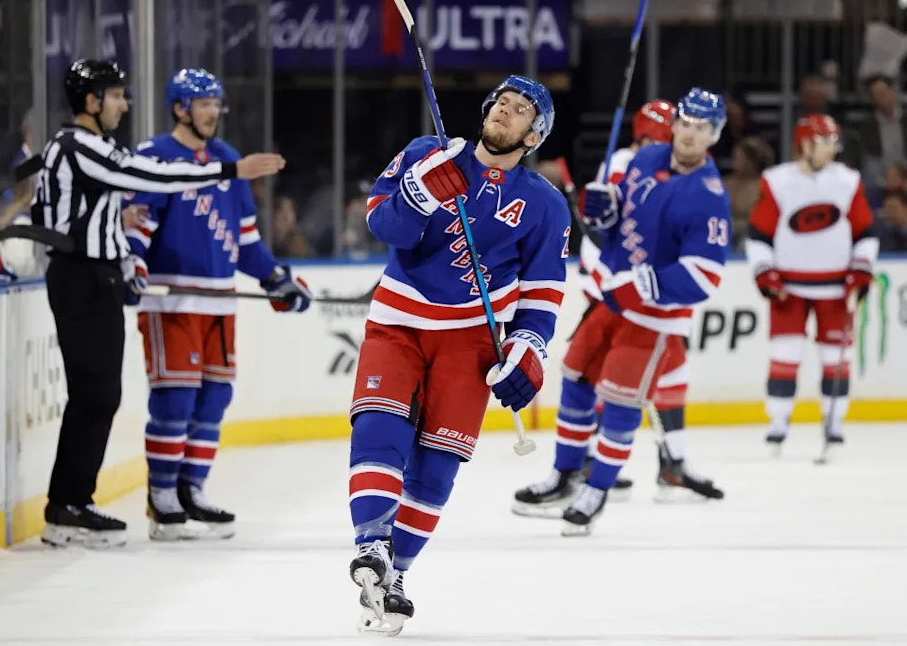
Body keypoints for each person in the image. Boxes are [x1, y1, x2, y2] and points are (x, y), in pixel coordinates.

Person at [346, 76, 570, 635]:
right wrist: (421, 192)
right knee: (381, 425)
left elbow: (542, 293)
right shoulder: (428, 154)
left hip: (473, 339)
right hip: (399, 318)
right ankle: (370, 545)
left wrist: (527, 350)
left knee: (438, 464)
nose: (505, 112)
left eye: (521, 110)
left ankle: (394, 574)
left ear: (534, 134)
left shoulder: (544, 204)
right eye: (501, 102)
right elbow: (382, 225)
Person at [31, 59, 284, 549]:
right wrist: (229, 171)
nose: (125, 104)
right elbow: (146, 180)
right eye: (117, 95)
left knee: (118, 396)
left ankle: (100, 499)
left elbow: (134, 211)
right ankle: (90, 502)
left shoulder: (101, 147)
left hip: (117, 278)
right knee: (114, 396)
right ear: (91, 102)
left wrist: (275, 276)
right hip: (92, 279)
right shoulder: (85, 146)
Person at [124, 68, 311, 540]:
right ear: (179, 107)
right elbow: (139, 227)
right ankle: (162, 497)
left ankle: (192, 490)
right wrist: (134, 264)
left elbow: (245, 241)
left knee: (213, 398)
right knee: (175, 398)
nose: (212, 111)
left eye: (215, 103)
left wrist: (274, 278)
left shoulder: (229, 161)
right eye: (203, 103)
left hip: (219, 303)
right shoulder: (155, 157)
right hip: (172, 303)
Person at [513, 99, 724, 516]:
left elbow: (704, 275)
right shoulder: (644, 160)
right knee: (575, 379)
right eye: (685, 123)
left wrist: (643, 284)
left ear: (714, 135)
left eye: (702, 127)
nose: (688, 133)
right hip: (608, 299)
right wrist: (604, 214)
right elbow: (619, 222)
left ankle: (599, 489)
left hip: (652, 315)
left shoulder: (708, 193)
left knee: (623, 401)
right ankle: (566, 475)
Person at [745, 114, 878, 458]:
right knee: (784, 356)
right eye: (825, 141)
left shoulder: (848, 181)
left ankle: (834, 424)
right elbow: (758, 236)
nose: (832, 148)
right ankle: (777, 425)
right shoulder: (777, 182)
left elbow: (866, 234)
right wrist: (765, 273)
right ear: (805, 144)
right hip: (789, 287)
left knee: (837, 357)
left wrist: (860, 272)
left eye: (834, 142)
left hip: (836, 287)